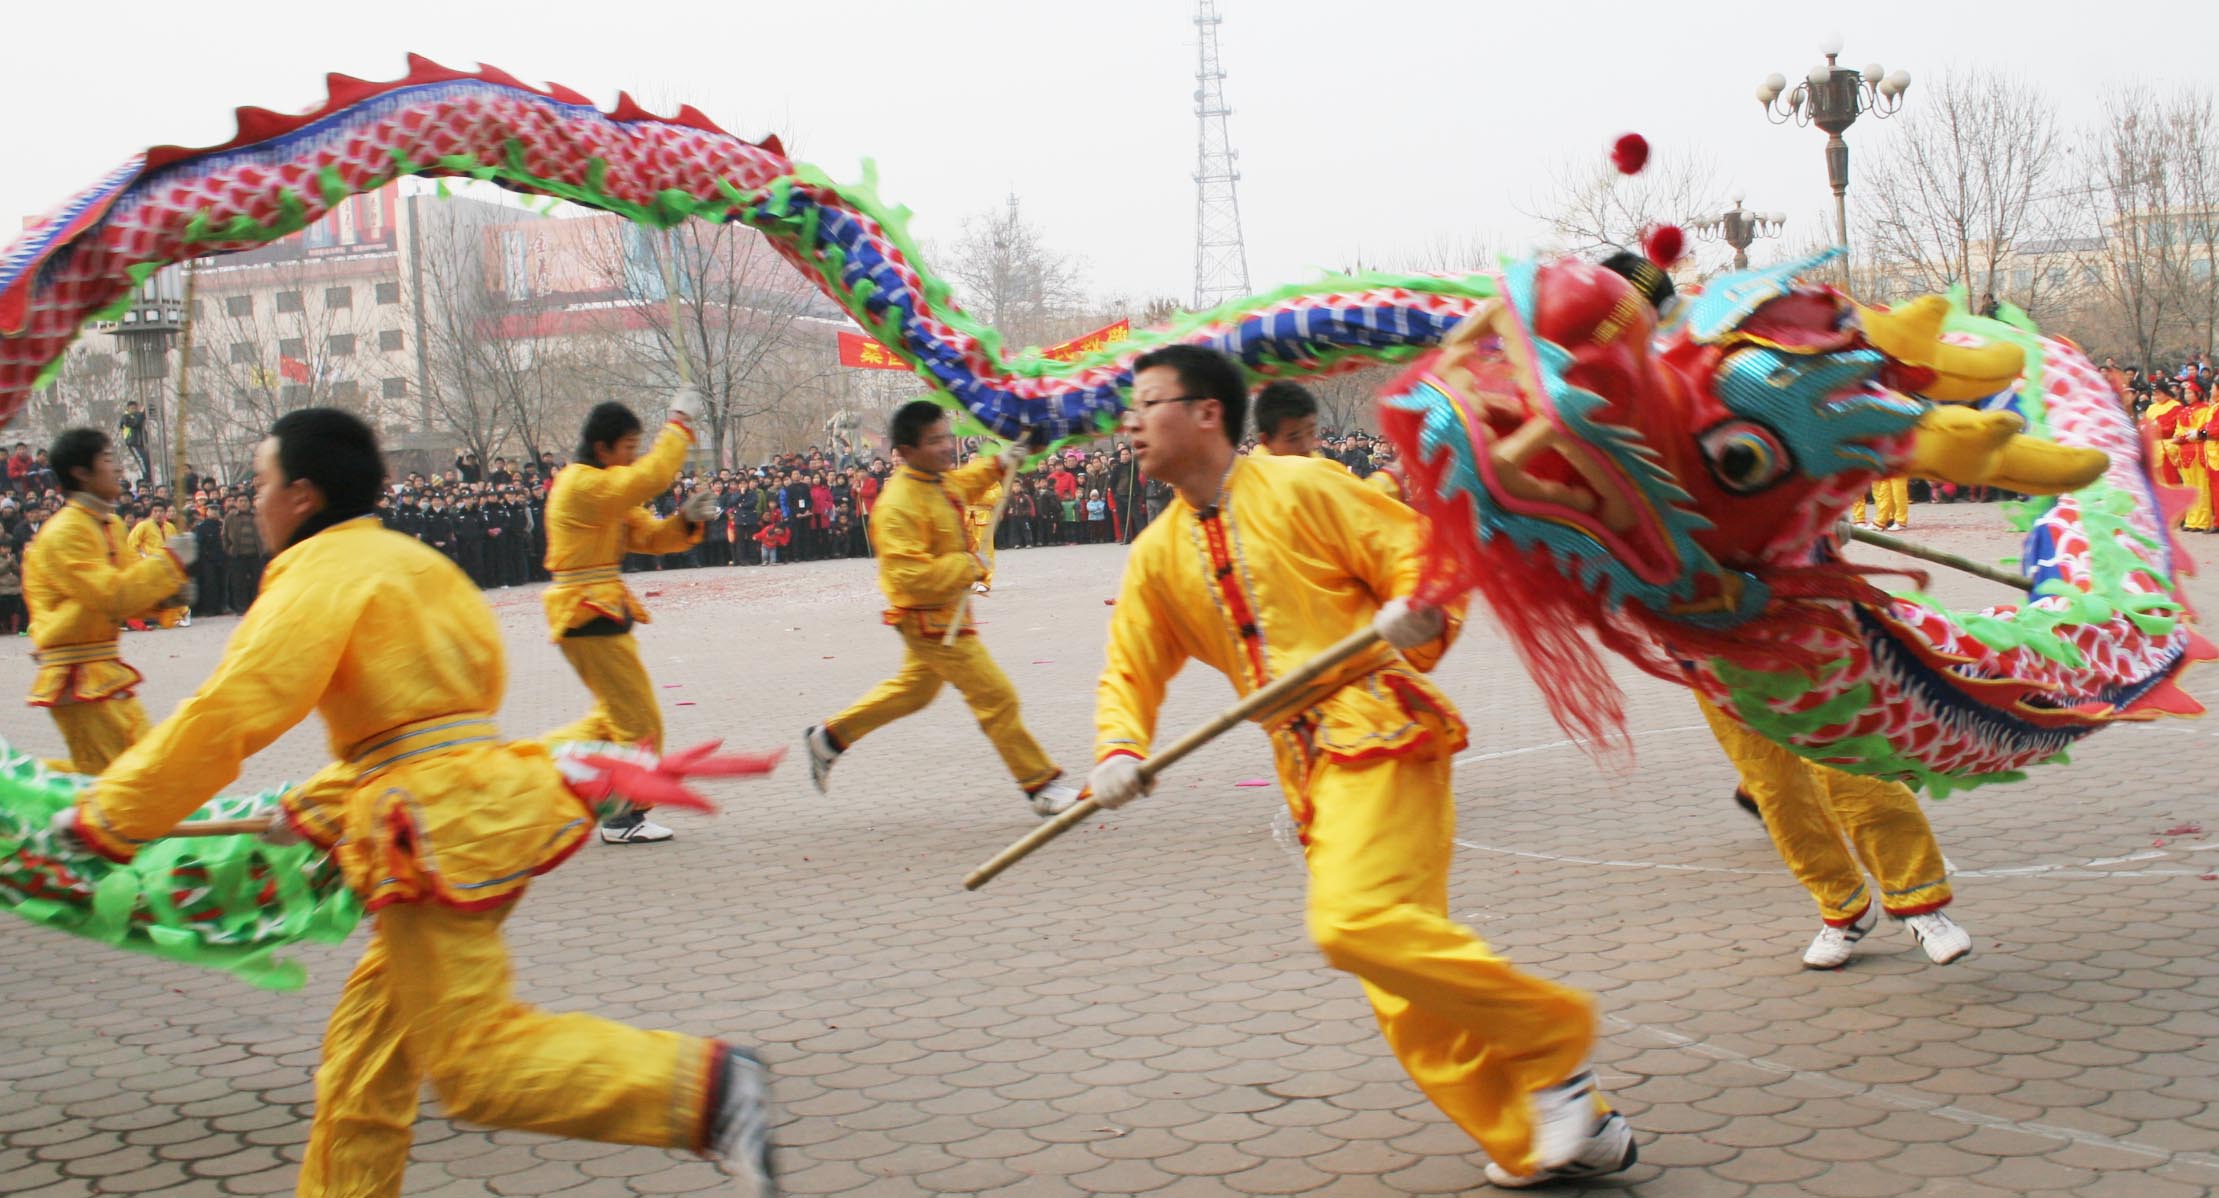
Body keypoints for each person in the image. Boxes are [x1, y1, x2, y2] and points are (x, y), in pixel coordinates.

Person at [50, 409, 776, 1198]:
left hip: (430, 833)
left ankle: (707, 1091)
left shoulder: (317, 571)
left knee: (476, 1065)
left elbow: (231, 712)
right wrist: (324, 805)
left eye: (259, 484)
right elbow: (411, 729)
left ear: (299, 494)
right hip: (460, 809)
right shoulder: (415, 564)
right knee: (364, 1065)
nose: (252, 501)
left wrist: (109, 816)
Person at [1086, 345, 1636, 1188]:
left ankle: (1551, 1042)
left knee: (1349, 925)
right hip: (1306, 771)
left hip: (1375, 731)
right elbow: (1129, 669)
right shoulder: (1155, 555)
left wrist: (1417, 610)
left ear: (1205, 413)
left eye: (1147, 401)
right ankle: (1559, 1134)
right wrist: (1118, 750)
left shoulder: (1301, 485)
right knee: (1404, 991)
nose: (1128, 422)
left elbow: (1417, 558)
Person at [804, 402, 1082, 818]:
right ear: (905, 450)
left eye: (946, 437)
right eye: (935, 440)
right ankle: (1040, 783)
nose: (946, 447)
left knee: (915, 691)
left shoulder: (934, 480)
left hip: (946, 613)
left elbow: (963, 483)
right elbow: (907, 579)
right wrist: (966, 566)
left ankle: (830, 738)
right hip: (928, 620)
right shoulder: (897, 505)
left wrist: (1002, 461)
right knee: (996, 696)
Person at [541, 394, 715, 844]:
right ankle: (623, 817)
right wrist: (678, 424)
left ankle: (526, 775)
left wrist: (685, 519)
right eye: (628, 449)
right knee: (639, 723)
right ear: (603, 450)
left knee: (607, 723)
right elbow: (650, 477)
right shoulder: (583, 486)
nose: (633, 459)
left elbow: (651, 537)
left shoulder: (602, 488)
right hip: (587, 610)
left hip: (598, 610)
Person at [1700, 699, 1971, 967]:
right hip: (1713, 667)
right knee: (1778, 790)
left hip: (1800, 661)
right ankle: (1843, 909)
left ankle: (1918, 902)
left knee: (1849, 765)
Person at [20, 429, 194, 774]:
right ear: (80, 472)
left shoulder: (109, 522)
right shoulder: (65, 532)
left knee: (139, 768)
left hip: (102, 669)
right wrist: (168, 564)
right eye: (109, 459)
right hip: (75, 674)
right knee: (121, 782)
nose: (118, 470)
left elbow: (132, 589)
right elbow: (112, 596)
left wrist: (170, 595)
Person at [126, 501, 190, 628]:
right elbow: (131, 544)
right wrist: (141, 560)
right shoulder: (142, 526)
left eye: (161, 511)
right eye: (155, 511)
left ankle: (181, 614)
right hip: (151, 565)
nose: (158, 514)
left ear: (165, 513)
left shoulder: (170, 527)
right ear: (151, 513)